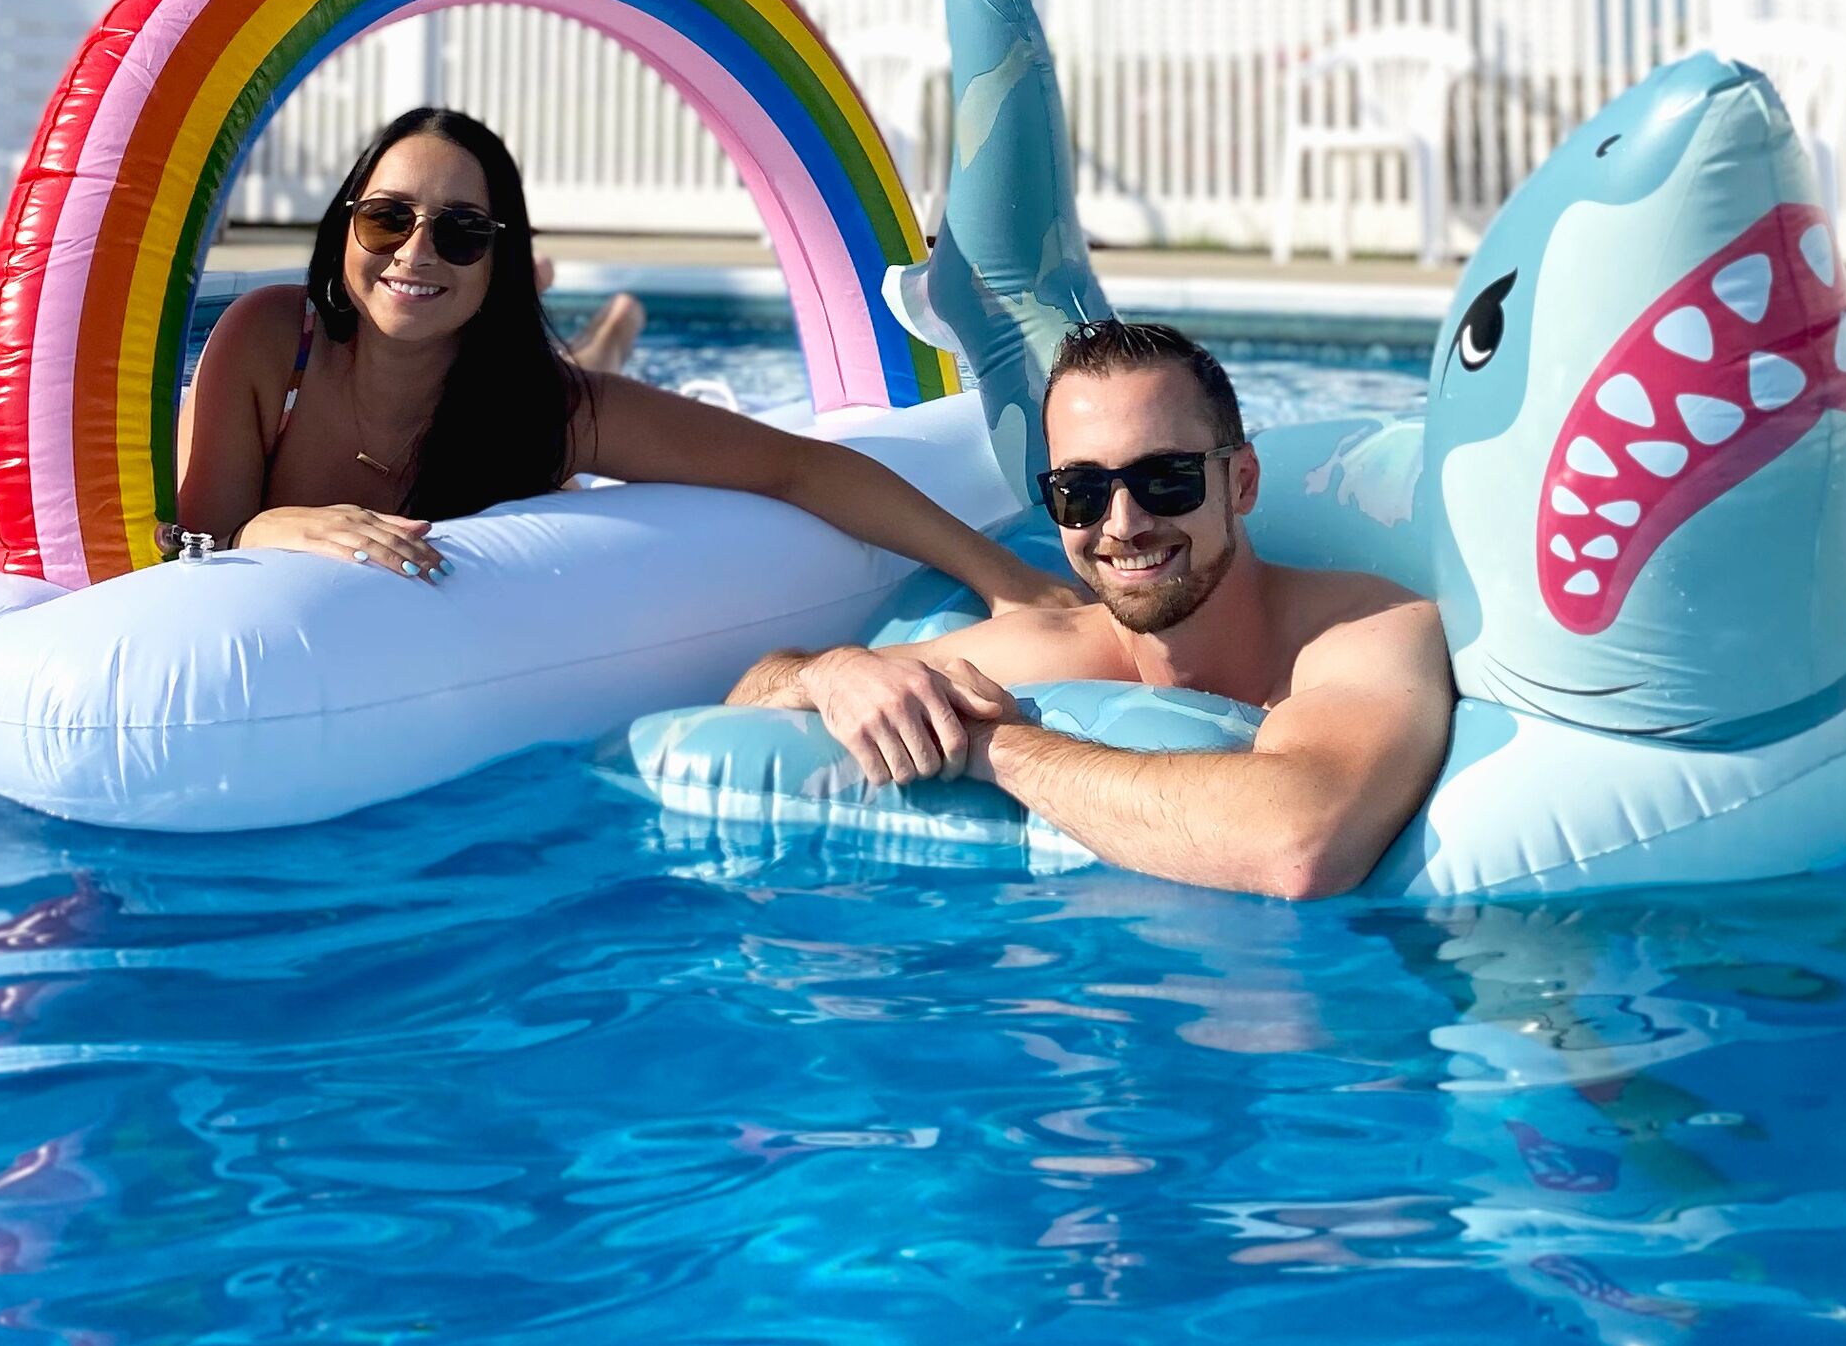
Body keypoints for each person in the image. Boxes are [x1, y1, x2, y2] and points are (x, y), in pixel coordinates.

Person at [173, 102, 1062, 610]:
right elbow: (180, 550)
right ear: (343, 229)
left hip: (535, 390)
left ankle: (605, 339)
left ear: (499, 261)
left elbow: (798, 468)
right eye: (386, 219)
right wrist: (268, 529)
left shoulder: (545, 410)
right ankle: (604, 334)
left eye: (462, 234)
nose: (414, 251)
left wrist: (1012, 582)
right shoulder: (270, 343)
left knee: (573, 388)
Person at [725, 317, 1452, 899]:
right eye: (1082, 491)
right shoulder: (1050, 647)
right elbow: (751, 691)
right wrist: (833, 674)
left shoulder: (1370, 632)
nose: (1124, 524)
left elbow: (1300, 846)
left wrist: (998, 748)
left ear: (1242, 483)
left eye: (1166, 479)